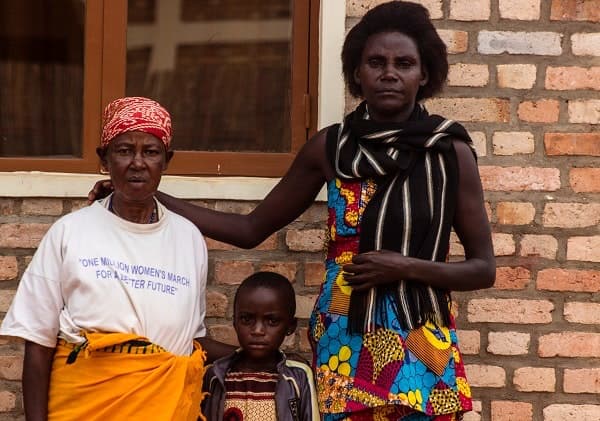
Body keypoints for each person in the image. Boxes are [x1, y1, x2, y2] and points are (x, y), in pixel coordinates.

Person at [89, 2, 495, 419]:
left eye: (404, 63)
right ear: (356, 73)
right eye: (375, 62)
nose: (389, 73)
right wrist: (153, 196)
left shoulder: (449, 152)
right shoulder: (331, 148)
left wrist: (404, 267)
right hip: (346, 336)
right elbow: (250, 229)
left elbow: (483, 269)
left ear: (424, 74)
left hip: (423, 339)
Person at [1, 96, 214, 421]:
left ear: (167, 161)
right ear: (104, 159)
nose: (138, 162)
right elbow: (38, 344)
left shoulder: (189, 239)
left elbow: (192, 341)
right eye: (125, 150)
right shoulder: (70, 232)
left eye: (151, 152)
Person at [202, 272, 319, 420]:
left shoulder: (298, 376)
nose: (257, 330)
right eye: (246, 319)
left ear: (290, 326)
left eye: (272, 321)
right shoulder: (215, 375)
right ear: (235, 322)